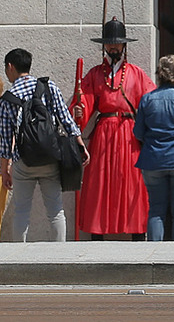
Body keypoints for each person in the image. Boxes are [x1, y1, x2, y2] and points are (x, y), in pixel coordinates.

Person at [71, 17, 156, 240]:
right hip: (103, 134)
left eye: (117, 43)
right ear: (104, 46)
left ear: (124, 45)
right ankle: (97, 235)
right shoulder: (95, 74)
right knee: (99, 183)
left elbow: (151, 103)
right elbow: (84, 103)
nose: (113, 47)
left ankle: (138, 233)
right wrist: (79, 109)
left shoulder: (137, 73)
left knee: (133, 184)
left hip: (129, 135)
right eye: (109, 44)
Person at [0, 49, 89, 241]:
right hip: (50, 158)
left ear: (10, 67)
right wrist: (81, 146)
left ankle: (19, 258)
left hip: (24, 163)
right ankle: (59, 256)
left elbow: (6, 141)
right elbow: (66, 120)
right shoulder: (49, 87)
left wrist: (5, 171)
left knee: (21, 211)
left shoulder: (7, 100)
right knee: (56, 211)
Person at [133, 55, 174, 241]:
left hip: (153, 160)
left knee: (155, 210)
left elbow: (138, 132)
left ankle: (155, 251)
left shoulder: (147, 100)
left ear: (159, 73)